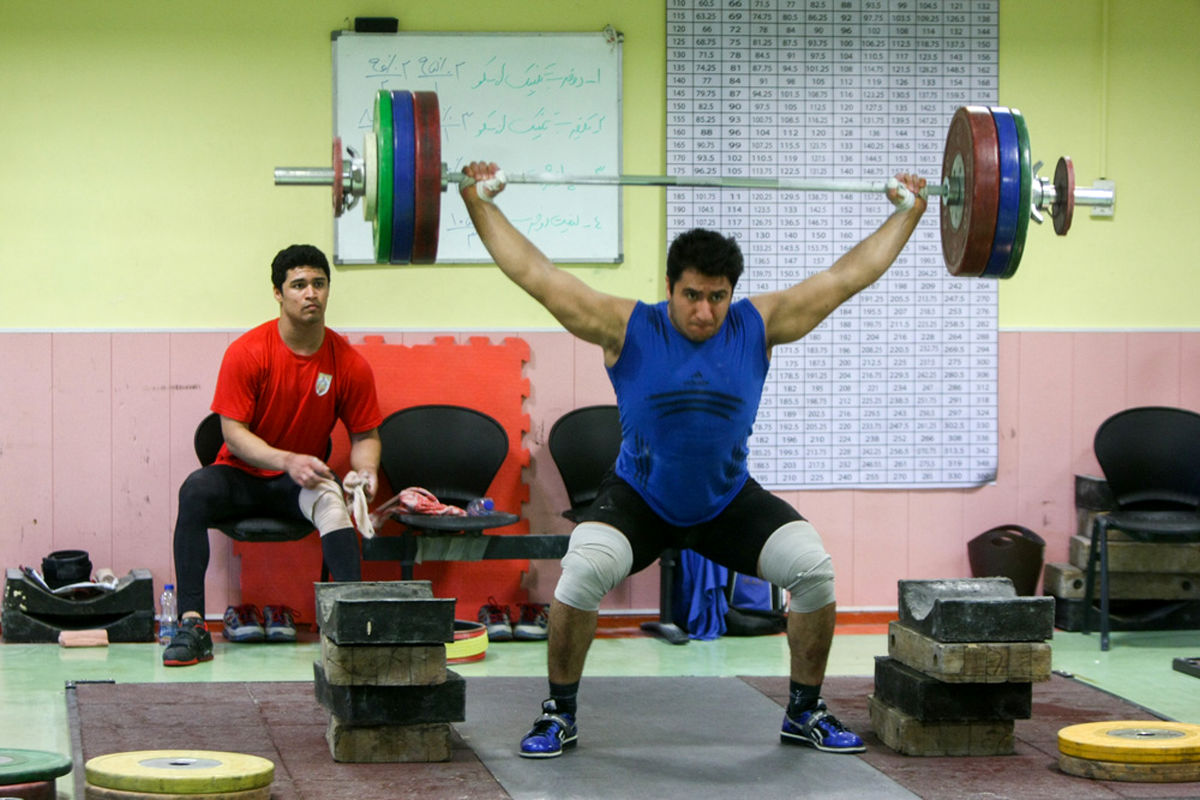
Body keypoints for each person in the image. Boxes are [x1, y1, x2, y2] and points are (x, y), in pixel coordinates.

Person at [458, 161, 927, 757]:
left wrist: (907, 212)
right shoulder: (628, 326)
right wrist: (479, 204)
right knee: (581, 570)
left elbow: (846, 276)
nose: (704, 312)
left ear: (731, 292)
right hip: (640, 499)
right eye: (691, 296)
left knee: (813, 569)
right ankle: (560, 711)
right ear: (669, 286)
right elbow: (537, 274)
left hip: (726, 500)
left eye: (716, 297)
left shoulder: (758, 325)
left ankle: (804, 711)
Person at [163, 244, 383, 667]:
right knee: (194, 491)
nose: (310, 293)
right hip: (241, 476)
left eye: (319, 284)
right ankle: (191, 627)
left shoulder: (348, 362)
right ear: (279, 294)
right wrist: (287, 460)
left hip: (297, 485)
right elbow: (233, 434)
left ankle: (352, 626)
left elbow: (365, 434)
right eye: (298, 285)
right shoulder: (248, 352)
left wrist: (365, 470)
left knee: (335, 505)